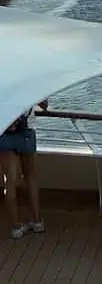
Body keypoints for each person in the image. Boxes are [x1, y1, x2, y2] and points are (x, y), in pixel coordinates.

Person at [1, 99, 47, 239]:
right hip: (26, 133)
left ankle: (16, 227)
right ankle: (37, 220)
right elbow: (44, 105)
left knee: (10, 182)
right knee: (30, 176)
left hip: (4, 134)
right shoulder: (28, 80)